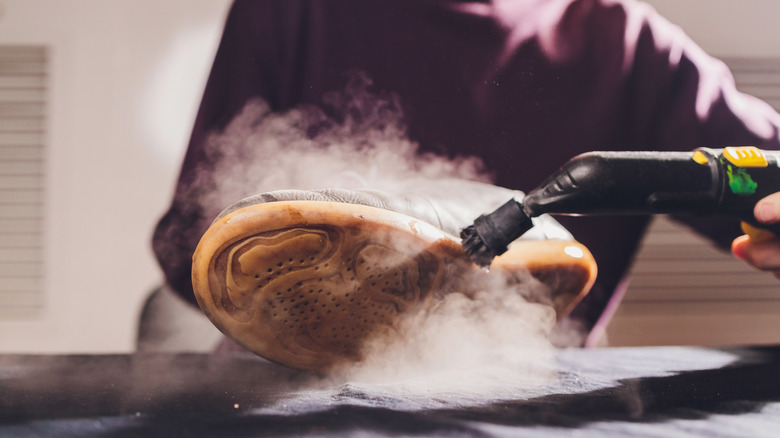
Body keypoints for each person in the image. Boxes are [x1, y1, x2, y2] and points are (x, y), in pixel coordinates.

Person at [152, 0, 780, 356]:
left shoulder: (634, 45)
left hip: (535, 395)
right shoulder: (288, 12)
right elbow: (192, 245)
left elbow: (764, 178)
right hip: (282, 391)